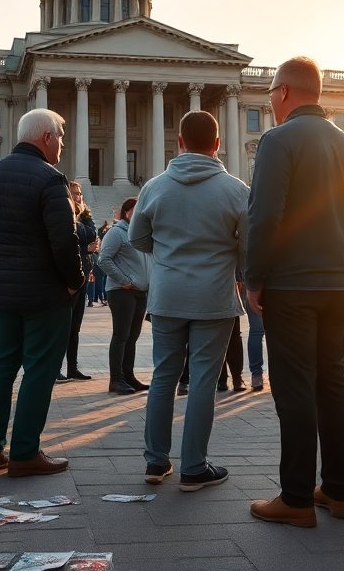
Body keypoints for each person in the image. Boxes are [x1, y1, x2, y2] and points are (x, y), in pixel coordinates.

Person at [246, 57, 344, 528]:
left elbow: (265, 215)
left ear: (282, 92)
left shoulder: (278, 139)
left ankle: (296, 498)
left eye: (271, 94)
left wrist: (254, 277)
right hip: (340, 282)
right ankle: (339, 491)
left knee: (295, 388)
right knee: (332, 383)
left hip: (292, 283)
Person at [130, 109, 248, 491]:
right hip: (214, 295)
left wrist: (168, 252)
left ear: (179, 142)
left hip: (167, 293)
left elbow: (137, 238)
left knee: (163, 376)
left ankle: (155, 460)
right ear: (218, 144)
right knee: (203, 381)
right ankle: (194, 466)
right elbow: (248, 246)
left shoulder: (154, 187)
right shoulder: (236, 190)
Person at [0, 108, 83, 478]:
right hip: (44, 293)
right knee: (39, 368)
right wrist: (75, 281)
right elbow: (64, 240)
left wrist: (1, 267)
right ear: (47, 137)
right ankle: (24, 452)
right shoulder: (50, 179)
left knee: (3, 364)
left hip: (2, 292)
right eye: (61, 138)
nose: (62, 145)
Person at [96, 197, 150, 394]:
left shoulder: (141, 233)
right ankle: (116, 379)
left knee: (132, 337)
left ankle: (128, 376)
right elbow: (104, 260)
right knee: (121, 335)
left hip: (140, 291)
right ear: (127, 212)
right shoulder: (116, 232)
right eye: (136, 210)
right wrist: (124, 280)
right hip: (122, 292)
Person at [60, 181, 99, 381]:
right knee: (62, 328)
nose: (78, 197)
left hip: (82, 277)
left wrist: (83, 213)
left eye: (80, 194)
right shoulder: (64, 216)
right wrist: (86, 248)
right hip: (68, 281)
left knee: (75, 328)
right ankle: (55, 368)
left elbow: (93, 235)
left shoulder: (83, 217)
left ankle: (72, 368)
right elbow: (70, 244)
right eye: (74, 193)